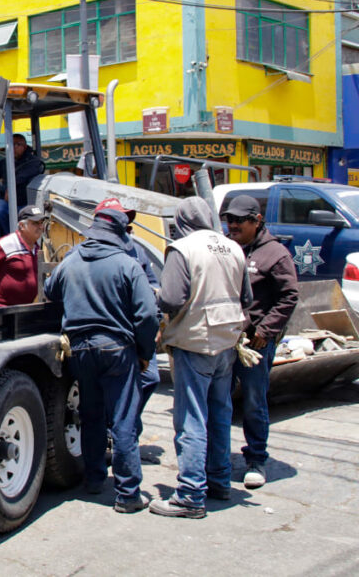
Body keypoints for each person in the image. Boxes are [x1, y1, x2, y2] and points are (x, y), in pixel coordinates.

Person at [43, 204, 158, 513]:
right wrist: (145, 353)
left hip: (80, 349)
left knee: (91, 416)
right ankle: (127, 493)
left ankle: (94, 479)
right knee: (123, 420)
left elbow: (50, 290)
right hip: (117, 349)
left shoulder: (72, 260)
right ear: (119, 233)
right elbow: (147, 315)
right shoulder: (127, 263)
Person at [150, 197, 251, 519]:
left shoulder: (183, 248)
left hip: (195, 343)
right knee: (220, 415)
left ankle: (191, 494)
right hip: (227, 341)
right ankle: (219, 481)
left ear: (181, 220)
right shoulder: (233, 247)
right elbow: (246, 297)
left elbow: (170, 298)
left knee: (191, 420)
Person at [221, 194, 299, 489]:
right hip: (225, 341)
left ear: (257, 221)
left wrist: (265, 331)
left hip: (254, 345)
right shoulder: (225, 248)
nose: (234, 225)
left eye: (240, 220)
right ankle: (216, 457)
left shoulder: (275, 254)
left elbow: (289, 295)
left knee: (254, 402)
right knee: (218, 399)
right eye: (230, 219)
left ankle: (256, 459)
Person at [92, 198, 161, 446]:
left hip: (138, 329)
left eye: (128, 221)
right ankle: (121, 435)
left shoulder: (136, 250)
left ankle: (124, 428)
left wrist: (155, 322)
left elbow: (154, 285)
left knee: (150, 378)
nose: (126, 226)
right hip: (111, 333)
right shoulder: (88, 250)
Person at [0, 134, 45, 212]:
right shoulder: (4, 163)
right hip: (6, 201)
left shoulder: (34, 162)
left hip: (27, 201)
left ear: (25, 147)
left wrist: (10, 189)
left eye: (18, 144)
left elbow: (22, 176)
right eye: (11, 144)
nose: (14, 147)